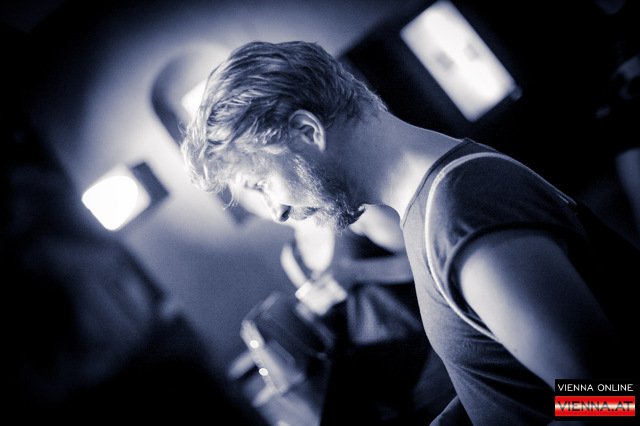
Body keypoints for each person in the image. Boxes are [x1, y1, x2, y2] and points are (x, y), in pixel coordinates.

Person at [181, 41, 639, 425]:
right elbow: (516, 384)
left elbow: (612, 399)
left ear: (306, 131)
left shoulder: (461, 213)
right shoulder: (429, 205)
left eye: (261, 183)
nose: (277, 211)